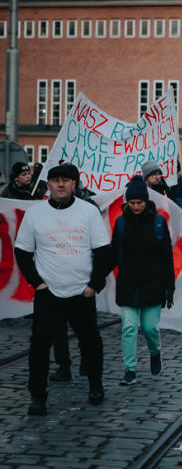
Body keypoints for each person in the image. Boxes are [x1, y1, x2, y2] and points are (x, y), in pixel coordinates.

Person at [14, 163, 111, 415]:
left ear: (74, 185)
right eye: (55, 180)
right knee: (39, 344)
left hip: (81, 292)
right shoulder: (36, 214)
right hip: (48, 293)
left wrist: (94, 285)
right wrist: (38, 283)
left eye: (66, 180)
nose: (60, 184)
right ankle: (38, 395)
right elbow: (22, 252)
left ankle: (95, 384)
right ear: (48, 185)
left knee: (91, 342)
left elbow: (103, 252)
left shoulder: (88, 212)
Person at [109, 176, 174, 385]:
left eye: (139, 203)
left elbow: (167, 257)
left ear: (146, 202)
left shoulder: (158, 222)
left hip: (152, 284)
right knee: (129, 327)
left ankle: (155, 352)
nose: (136, 207)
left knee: (149, 328)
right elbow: (113, 253)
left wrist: (169, 287)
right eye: (132, 203)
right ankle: (130, 369)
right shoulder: (120, 222)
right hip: (128, 283)